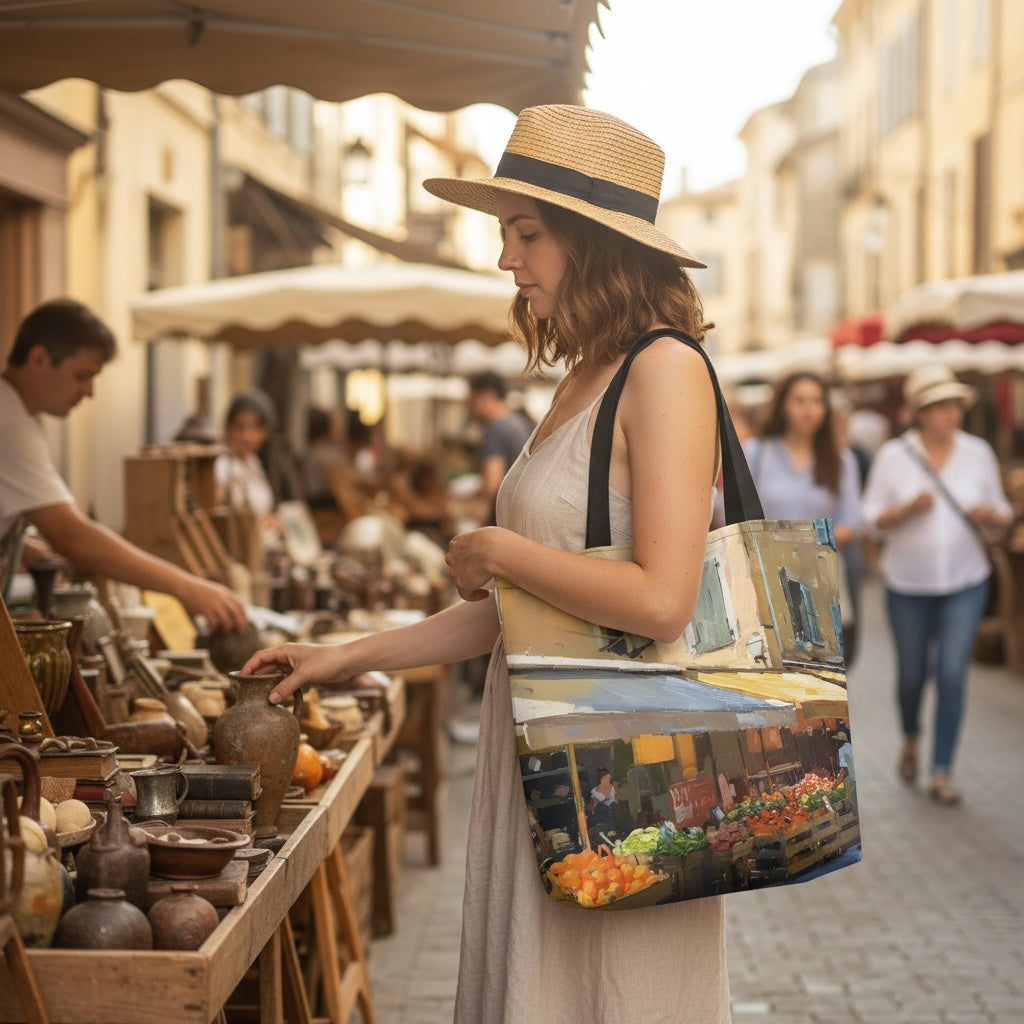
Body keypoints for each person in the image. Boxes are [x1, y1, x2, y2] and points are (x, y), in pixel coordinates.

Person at [242, 104, 729, 1023]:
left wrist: (501, 548)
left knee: (612, 999)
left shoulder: (665, 370)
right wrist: (343, 656)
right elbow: (522, 610)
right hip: (548, 755)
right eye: (505, 232)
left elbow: (663, 600)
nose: (507, 257)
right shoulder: (585, 374)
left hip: (622, 767)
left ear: (593, 241)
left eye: (527, 232)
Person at [0, 298, 246, 631]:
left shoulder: (16, 414)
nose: (89, 392)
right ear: (40, 358)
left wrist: (23, 546)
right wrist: (188, 588)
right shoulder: (10, 422)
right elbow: (71, 536)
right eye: (82, 376)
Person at [861, 365, 1012, 806]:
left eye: (956, 405)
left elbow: (1001, 510)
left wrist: (993, 515)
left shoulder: (977, 452)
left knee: (951, 674)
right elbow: (871, 519)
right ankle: (911, 738)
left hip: (966, 582)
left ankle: (942, 770)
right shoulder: (894, 455)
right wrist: (904, 510)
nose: (953, 413)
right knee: (912, 677)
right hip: (907, 585)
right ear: (921, 412)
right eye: (942, 406)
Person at [743, 372, 864, 663]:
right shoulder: (756, 453)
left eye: (817, 401)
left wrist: (807, 542)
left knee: (823, 683)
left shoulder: (841, 459)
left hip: (823, 583)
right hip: (769, 582)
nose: (809, 409)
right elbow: (737, 515)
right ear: (783, 405)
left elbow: (852, 522)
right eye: (800, 400)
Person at [466, 371, 534, 525]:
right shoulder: (519, 422)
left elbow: (491, 484)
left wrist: (464, 501)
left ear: (487, 396)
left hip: (503, 515)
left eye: (472, 400)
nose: (470, 407)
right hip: (521, 513)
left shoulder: (494, 428)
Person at [214, 389, 280, 533]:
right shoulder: (222, 466)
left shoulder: (253, 461)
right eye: (240, 428)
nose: (247, 436)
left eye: (255, 428)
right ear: (228, 428)